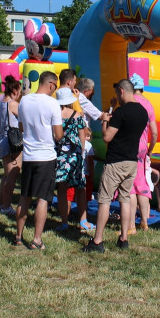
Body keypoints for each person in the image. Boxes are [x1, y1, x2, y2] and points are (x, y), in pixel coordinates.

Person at [84, 79, 149, 253]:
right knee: (125, 199)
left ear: (121, 90)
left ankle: (97, 241)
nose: (117, 98)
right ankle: (123, 239)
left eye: (116, 94)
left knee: (104, 199)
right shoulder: (143, 112)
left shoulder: (122, 112)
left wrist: (105, 119)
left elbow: (106, 137)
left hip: (115, 161)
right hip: (132, 161)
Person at [14, 72, 62, 249]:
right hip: (46, 156)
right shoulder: (52, 104)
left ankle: (18, 236)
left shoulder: (25, 100)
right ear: (51, 84)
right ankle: (36, 239)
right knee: (42, 199)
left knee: (24, 197)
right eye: (55, 87)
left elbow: (21, 126)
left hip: (28, 155)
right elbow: (58, 135)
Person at [54, 87, 89, 232]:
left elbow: (55, 136)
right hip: (75, 156)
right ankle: (83, 220)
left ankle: (64, 221)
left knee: (62, 190)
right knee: (80, 189)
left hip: (60, 156)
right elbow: (82, 139)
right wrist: (80, 153)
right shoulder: (77, 116)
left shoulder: (55, 115)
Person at [129, 73, 158, 232]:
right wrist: (150, 149)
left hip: (129, 148)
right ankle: (145, 222)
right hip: (142, 149)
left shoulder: (129, 102)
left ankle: (131, 224)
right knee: (143, 184)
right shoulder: (148, 104)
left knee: (131, 187)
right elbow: (154, 132)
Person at [0, 75, 23, 216]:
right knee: (12, 174)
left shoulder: (1, 103)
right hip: (13, 141)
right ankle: (6, 205)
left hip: (2, 139)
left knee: (6, 175)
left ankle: (1, 202)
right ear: (15, 90)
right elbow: (25, 119)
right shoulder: (13, 104)